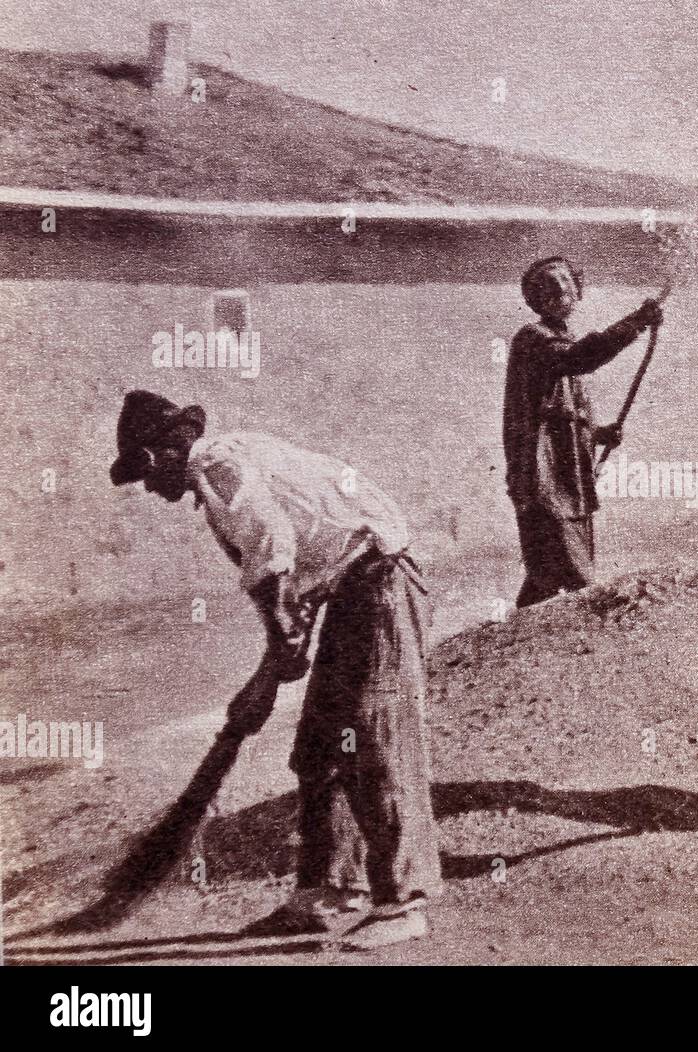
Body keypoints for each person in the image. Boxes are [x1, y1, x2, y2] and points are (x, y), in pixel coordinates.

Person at [110, 390, 441, 948]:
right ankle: (327, 891)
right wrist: (273, 661)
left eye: (143, 469)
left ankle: (404, 902)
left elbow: (273, 549)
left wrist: (280, 638)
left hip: (381, 586)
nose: (147, 487)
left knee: (372, 740)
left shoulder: (215, 465)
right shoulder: (226, 465)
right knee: (318, 746)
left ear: (166, 449)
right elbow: (295, 582)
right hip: (350, 588)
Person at [503, 255, 662, 607]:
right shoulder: (534, 339)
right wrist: (635, 323)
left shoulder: (558, 342)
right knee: (578, 579)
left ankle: (517, 646)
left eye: (565, 283)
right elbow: (580, 358)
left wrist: (597, 433)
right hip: (544, 484)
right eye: (548, 285)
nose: (559, 291)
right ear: (534, 299)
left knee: (545, 577)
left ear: (578, 290)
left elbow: (558, 418)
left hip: (567, 483)